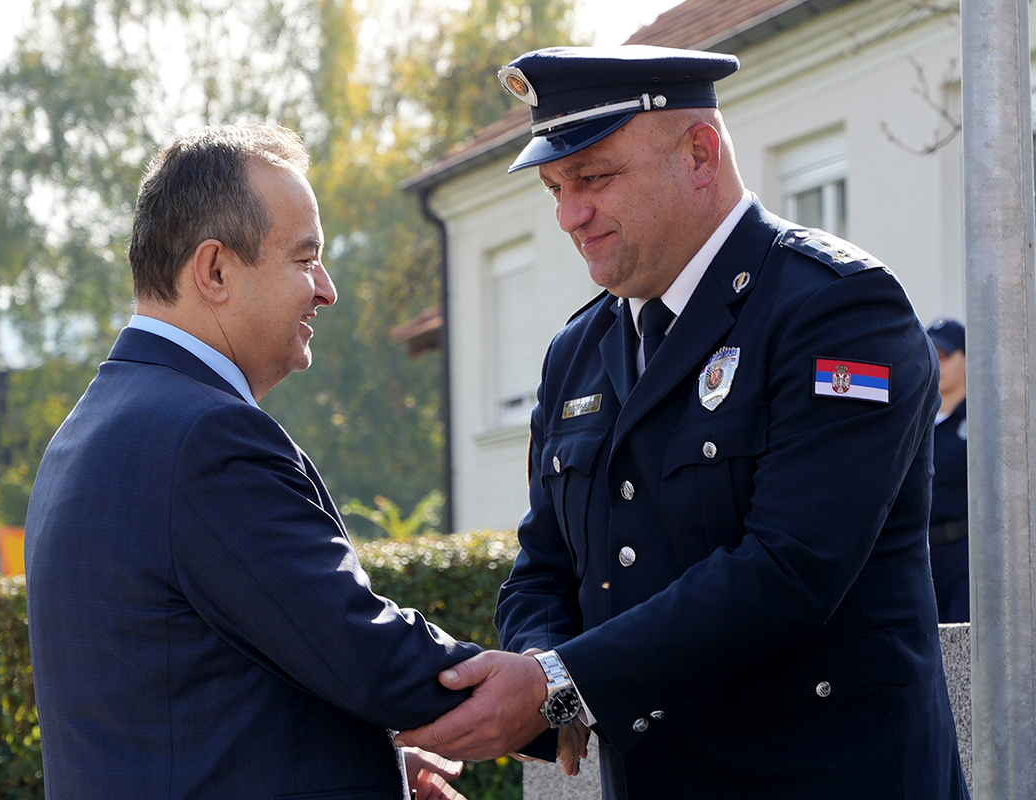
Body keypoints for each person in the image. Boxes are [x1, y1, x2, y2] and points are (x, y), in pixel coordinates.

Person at [396, 45, 969, 799]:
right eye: (555, 188)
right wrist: (551, 689)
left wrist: (557, 682)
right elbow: (543, 570)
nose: (570, 215)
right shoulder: (579, 350)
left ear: (699, 154)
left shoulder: (837, 308)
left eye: (594, 178)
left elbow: (792, 568)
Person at [25, 123, 477, 799]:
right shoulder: (206, 437)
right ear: (214, 271)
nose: (326, 289)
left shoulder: (88, 431)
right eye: (305, 259)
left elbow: (185, 706)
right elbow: (360, 652)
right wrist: (556, 693)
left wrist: (377, 769)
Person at [926, 317, 969, 623]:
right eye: (932, 355)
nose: (938, 364)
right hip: (921, 557)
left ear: (966, 359)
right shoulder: (914, 422)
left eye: (946, 355)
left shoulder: (981, 422)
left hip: (964, 555)